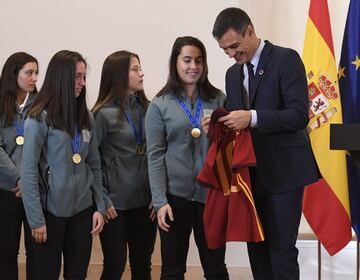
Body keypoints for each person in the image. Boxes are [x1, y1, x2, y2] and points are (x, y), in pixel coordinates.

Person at [208, 7, 319, 280]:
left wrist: (252, 118)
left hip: (284, 174)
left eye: (234, 46)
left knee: (281, 251)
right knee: (256, 250)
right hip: (250, 176)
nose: (232, 55)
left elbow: (297, 115)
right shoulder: (232, 75)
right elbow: (239, 126)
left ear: (250, 31)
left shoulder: (286, 59)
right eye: (225, 51)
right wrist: (220, 122)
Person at [145, 36, 229, 280]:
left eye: (199, 61)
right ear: (176, 62)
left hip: (210, 197)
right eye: (187, 60)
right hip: (174, 199)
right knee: (172, 271)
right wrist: (160, 201)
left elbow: (230, 149)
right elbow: (155, 156)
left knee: (215, 269)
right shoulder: (160, 105)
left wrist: (217, 133)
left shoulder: (219, 99)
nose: (194, 66)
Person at [20, 50, 105, 280]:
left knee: (77, 275)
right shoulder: (38, 118)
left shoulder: (86, 117)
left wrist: (99, 206)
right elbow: (28, 173)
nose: (82, 83)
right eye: (77, 77)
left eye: (84, 77)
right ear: (62, 78)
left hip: (82, 211)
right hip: (50, 214)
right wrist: (36, 220)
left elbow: (94, 164)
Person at [92, 50, 157, 280]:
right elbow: (92, 161)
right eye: (135, 69)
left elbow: (159, 155)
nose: (142, 73)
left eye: (140, 68)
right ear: (119, 75)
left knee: (143, 265)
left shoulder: (151, 110)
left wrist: (156, 195)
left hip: (145, 204)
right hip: (115, 206)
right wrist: (103, 198)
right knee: (114, 266)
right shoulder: (101, 115)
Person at [0, 52, 38, 280]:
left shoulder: (42, 105)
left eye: (36, 73)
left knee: (36, 250)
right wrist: (18, 178)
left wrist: (29, 181)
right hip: (7, 188)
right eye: (29, 73)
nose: (34, 78)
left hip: (34, 190)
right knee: (6, 250)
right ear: (14, 75)